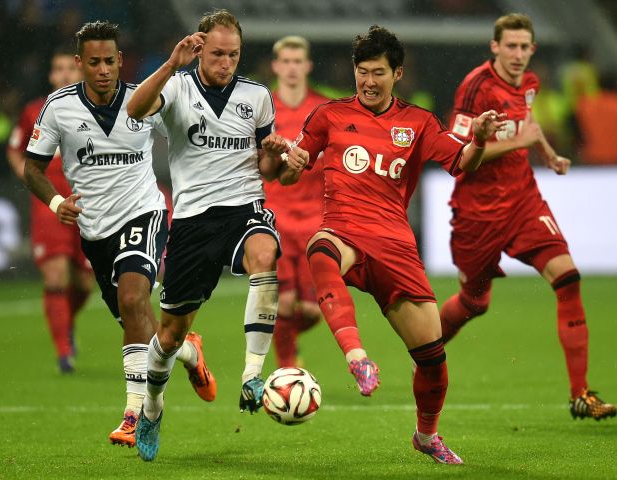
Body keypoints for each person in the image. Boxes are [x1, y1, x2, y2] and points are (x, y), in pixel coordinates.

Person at [277, 25, 503, 465]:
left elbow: (462, 164)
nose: (368, 81)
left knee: (433, 359)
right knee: (320, 250)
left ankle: (426, 435)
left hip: (396, 246)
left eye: (378, 72)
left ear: (397, 73)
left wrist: (477, 137)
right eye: (362, 72)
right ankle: (357, 355)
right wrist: (291, 160)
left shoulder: (417, 122)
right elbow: (289, 171)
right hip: (344, 231)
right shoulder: (329, 115)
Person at [23, 21, 216, 449]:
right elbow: (32, 168)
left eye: (111, 60)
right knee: (142, 327)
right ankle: (187, 351)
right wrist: (57, 204)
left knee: (132, 299)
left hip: (143, 214)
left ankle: (137, 413)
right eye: (94, 62)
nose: (104, 69)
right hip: (94, 231)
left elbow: (190, 135)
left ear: (120, 61)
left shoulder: (142, 100)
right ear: (80, 64)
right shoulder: (58, 108)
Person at [126, 9, 304, 462]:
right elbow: (134, 109)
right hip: (192, 220)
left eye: (234, 54)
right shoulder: (178, 86)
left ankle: (252, 374)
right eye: (218, 54)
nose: (226, 63)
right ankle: (151, 407)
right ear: (201, 49)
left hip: (245, 208)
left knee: (265, 256)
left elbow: (268, 171)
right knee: (168, 337)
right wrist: (170, 64)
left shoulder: (257, 96)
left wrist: (277, 158)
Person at [440, 13, 616, 421]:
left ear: (533, 49)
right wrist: (506, 140)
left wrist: (548, 155)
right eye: (511, 46)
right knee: (474, 302)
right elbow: (460, 153)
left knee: (568, 279)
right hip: (477, 213)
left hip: (523, 201)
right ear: (495, 47)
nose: (518, 54)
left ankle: (580, 394)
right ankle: (428, 352)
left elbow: (528, 125)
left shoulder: (532, 84)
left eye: (525, 47)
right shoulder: (476, 86)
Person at [8, 49, 95, 374]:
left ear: (80, 72)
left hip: (87, 203)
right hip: (49, 204)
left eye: (68, 69)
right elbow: (16, 150)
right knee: (56, 275)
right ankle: (63, 353)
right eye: (57, 69)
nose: (63, 75)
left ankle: (65, 324)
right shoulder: (34, 111)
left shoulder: (93, 110)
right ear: (50, 75)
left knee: (85, 284)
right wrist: (28, 175)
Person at [264, 35, 329, 368]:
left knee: (313, 310)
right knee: (284, 302)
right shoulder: (266, 108)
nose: (291, 68)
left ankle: (285, 340)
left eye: (297, 61)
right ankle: (286, 367)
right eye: (285, 61)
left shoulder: (323, 109)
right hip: (276, 217)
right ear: (276, 66)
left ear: (307, 66)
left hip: (315, 219)